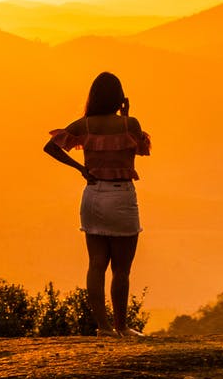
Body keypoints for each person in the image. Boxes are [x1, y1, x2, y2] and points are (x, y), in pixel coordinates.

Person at [43, 71, 152, 337]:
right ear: (119, 98)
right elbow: (140, 150)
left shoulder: (85, 125)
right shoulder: (130, 124)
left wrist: (80, 168)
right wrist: (126, 116)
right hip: (122, 195)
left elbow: (51, 147)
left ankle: (103, 327)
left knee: (96, 264)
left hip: (93, 195)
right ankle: (121, 326)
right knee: (121, 270)